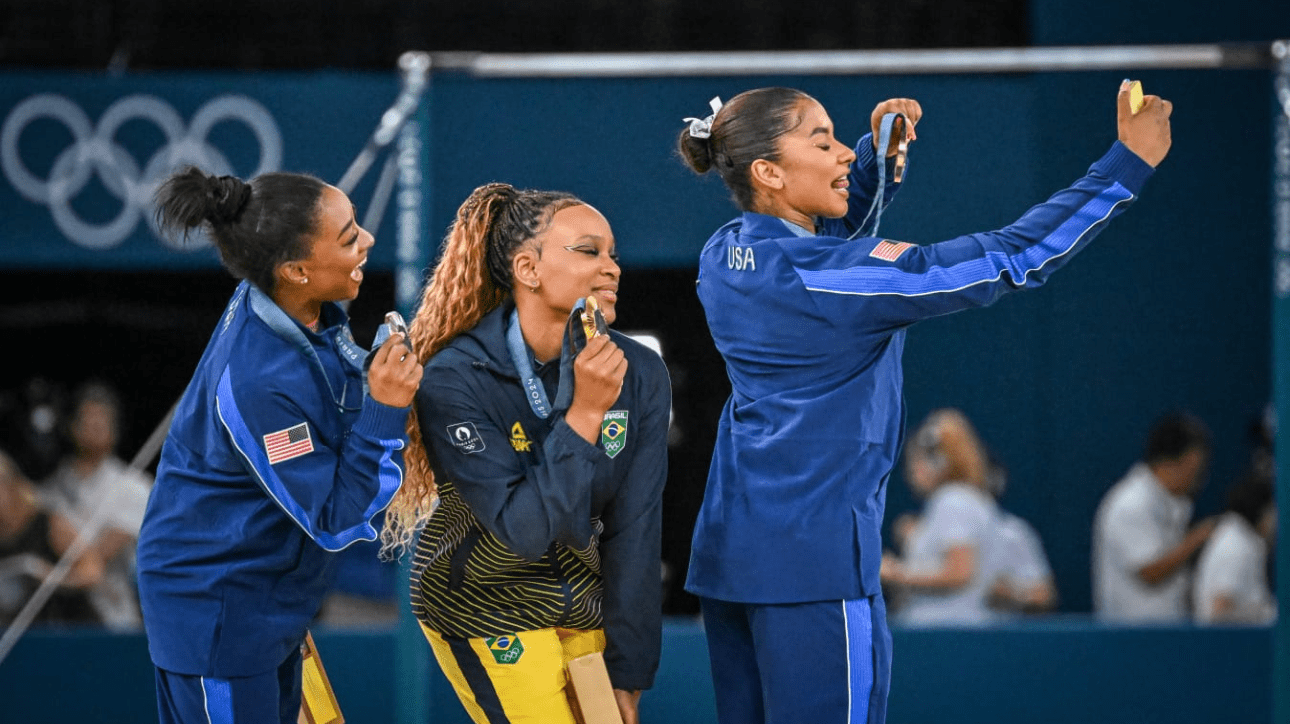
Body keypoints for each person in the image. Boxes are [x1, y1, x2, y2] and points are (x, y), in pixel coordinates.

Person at [677, 81, 1171, 723]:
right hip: (817, 568)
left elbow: (827, 245)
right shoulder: (832, 279)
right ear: (768, 170)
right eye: (823, 142)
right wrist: (1125, 166)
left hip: (731, 559)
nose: (842, 155)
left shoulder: (722, 257)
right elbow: (1010, 258)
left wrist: (878, 156)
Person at [136, 167, 421, 724]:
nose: (367, 240)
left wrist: (373, 378)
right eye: (348, 237)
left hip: (266, 601)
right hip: (217, 613)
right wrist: (385, 406)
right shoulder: (256, 381)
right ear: (295, 270)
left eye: (355, 223)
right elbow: (335, 519)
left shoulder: (290, 304)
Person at [381, 183, 671, 724]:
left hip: (578, 600)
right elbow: (522, 529)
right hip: (483, 603)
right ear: (527, 269)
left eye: (613, 253)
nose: (612, 267)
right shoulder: (452, 377)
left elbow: (636, 523)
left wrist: (630, 669)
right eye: (588, 251)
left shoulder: (639, 371)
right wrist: (585, 414)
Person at [41, 381, 152, 630]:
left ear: (115, 429)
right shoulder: (49, 489)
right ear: (71, 426)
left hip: (113, 621)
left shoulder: (136, 487)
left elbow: (95, 559)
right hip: (53, 623)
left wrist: (44, 570)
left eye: (103, 421)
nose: (95, 427)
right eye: (88, 420)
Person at [882, 408, 1003, 626]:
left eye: (915, 461)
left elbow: (959, 573)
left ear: (937, 462)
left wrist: (894, 572)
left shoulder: (952, 500)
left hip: (944, 632)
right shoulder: (971, 500)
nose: (910, 472)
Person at [1092, 411, 1215, 623]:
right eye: (1193, 468)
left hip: (1168, 631)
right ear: (1169, 463)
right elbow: (1149, 573)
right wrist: (1198, 538)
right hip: (1131, 638)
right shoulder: (1129, 504)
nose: (1198, 477)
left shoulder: (1176, 504)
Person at [0, 448, 102, 626]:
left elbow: (93, 572)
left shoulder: (49, 524)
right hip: (18, 637)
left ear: (11, 486)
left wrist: (51, 578)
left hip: (70, 629)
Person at [1193, 470, 1276, 624]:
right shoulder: (1236, 547)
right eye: (1272, 512)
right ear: (1262, 512)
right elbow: (1219, 614)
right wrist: (1268, 613)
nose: (1275, 523)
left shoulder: (1239, 538)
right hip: (1227, 645)